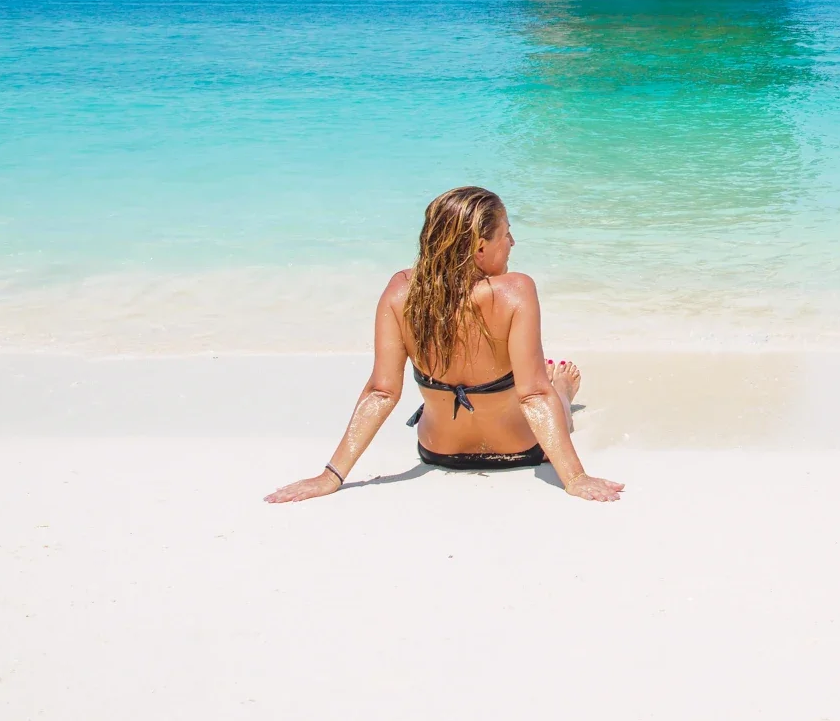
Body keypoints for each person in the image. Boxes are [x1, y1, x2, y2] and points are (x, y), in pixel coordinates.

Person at [265, 186, 624, 504]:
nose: (512, 243)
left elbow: (381, 392)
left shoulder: (401, 292)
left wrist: (330, 475)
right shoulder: (516, 291)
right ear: (480, 246)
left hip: (438, 451)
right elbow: (532, 395)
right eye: (506, 234)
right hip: (521, 449)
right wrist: (575, 478)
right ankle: (564, 391)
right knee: (549, 391)